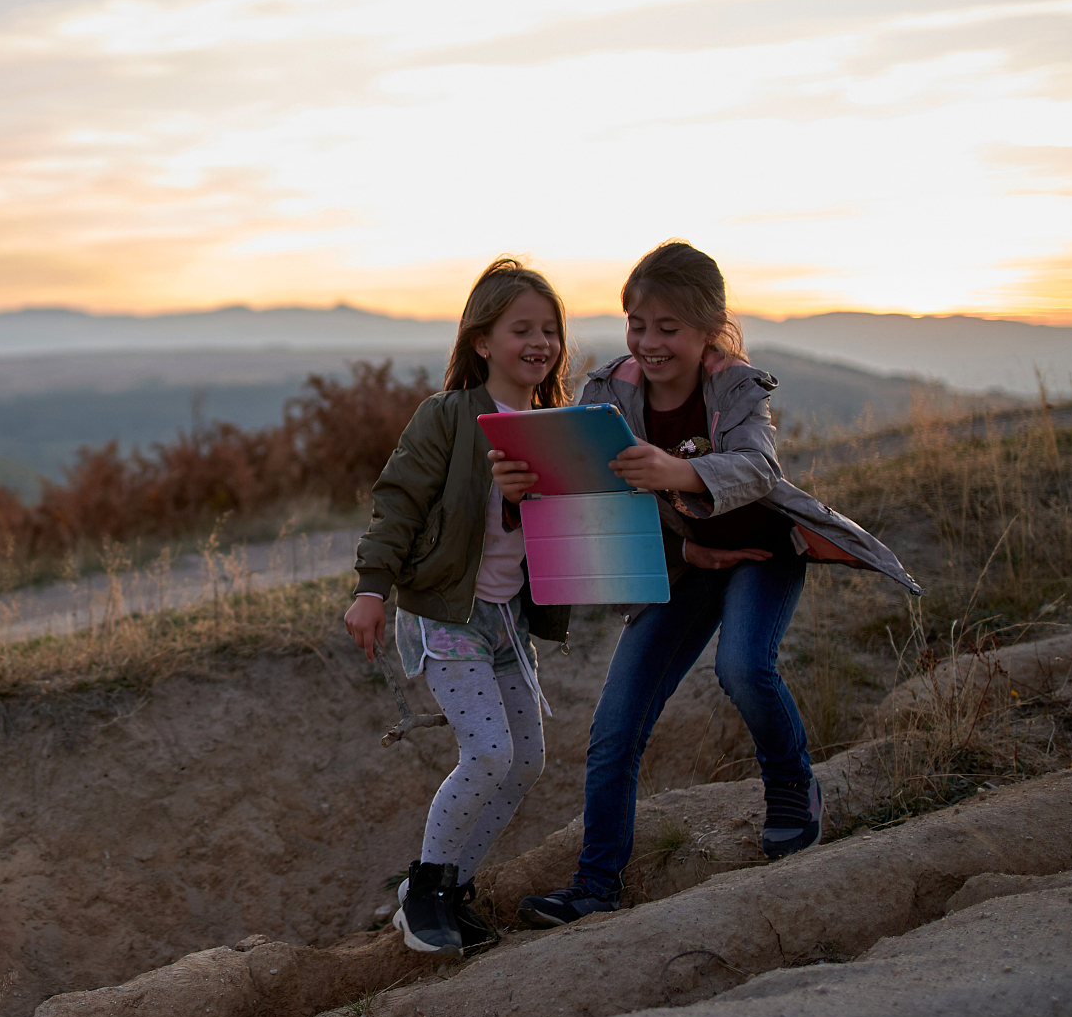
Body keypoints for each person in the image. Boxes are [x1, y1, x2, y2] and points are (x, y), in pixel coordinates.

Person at [500, 241, 920, 928]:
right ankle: (594, 885)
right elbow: (590, 502)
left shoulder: (736, 387)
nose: (649, 342)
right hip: (686, 564)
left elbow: (758, 468)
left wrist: (678, 472)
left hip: (761, 551)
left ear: (709, 329)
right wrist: (523, 489)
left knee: (744, 667)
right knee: (614, 729)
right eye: (637, 324)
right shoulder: (606, 395)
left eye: (669, 327)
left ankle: (793, 789)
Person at [345, 257, 573, 956]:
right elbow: (399, 502)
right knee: (489, 751)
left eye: (549, 329)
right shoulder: (448, 416)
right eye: (520, 329)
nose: (539, 342)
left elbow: (566, 529)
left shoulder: (558, 429)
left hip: (509, 621)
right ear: (482, 340)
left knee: (526, 762)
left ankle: (451, 889)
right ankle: (422, 893)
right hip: (446, 615)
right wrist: (371, 588)